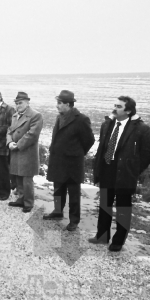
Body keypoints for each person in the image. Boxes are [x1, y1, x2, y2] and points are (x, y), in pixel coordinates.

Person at [90, 96, 150, 250]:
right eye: (115, 105)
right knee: (104, 205)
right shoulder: (107, 124)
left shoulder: (141, 129)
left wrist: (134, 170)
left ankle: (118, 241)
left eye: (119, 106)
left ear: (129, 110)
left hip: (125, 174)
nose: (115, 108)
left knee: (123, 208)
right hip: (107, 170)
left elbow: (148, 153)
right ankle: (102, 235)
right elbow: (102, 147)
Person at [44, 90, 95, 231]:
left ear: (68, 104)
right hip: (58, 161)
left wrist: (77, 153)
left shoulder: (81, 119)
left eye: (59, 103)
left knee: (73, 193)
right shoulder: (59, 117)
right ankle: (57, 211)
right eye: (57, 103)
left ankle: (74, 220)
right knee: (58, 189)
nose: (57, 106)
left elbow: (89, 140)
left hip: (73, 164)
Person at [6, 92, 44, 213]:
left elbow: (32, 134)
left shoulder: (36, 115)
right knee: (18, 177)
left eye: (20, 103)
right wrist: (9, 142)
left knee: (27, 179)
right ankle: (21, 199)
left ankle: (28, 203)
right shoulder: (15, 115)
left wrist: (18, 145)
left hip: (27, 152)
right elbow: (9, 131)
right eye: (16, 103)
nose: (18, 105)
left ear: (28, 102)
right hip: (15, 150)